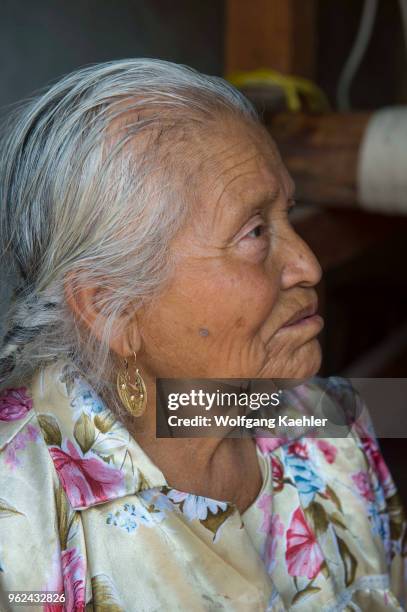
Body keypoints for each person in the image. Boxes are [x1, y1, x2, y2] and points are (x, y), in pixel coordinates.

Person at [0, 59, 405, 611]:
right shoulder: (18, 523)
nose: (308, 265)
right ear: (111, 310)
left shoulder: (328, 420)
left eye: (288, 214)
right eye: (255, 232)